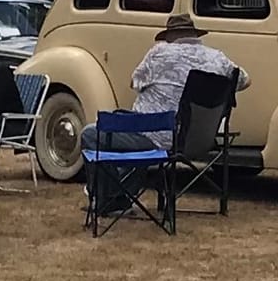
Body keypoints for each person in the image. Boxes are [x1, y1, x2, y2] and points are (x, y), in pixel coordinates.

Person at [80, 13, 248, 207]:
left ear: (170, 36)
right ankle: (118, 196)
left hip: (154, 136)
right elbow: (244, 80)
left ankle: (108, 198)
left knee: (91, 135)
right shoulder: (218, 58)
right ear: (194, 34)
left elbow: (134, 82)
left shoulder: (159, 53)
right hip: (197, 140)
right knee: (138, 140)